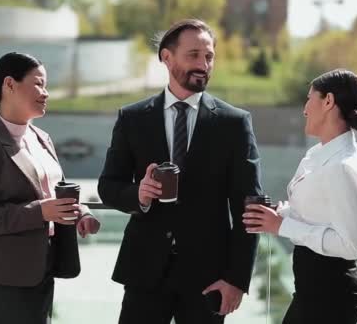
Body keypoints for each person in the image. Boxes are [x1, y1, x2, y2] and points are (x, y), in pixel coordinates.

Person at [98, 19, 263, 324]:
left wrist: (237, 279)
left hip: (209, 279)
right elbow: (108, 185)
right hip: (144, 272)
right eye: (193, 55)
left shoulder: (234, 123)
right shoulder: (132, 118)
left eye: (209, 56)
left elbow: (249, 206)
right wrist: (139, 194)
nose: (203, 64)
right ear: (167, 57)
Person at [0, 52, 100, 324]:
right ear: (9, 84)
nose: (46, 93)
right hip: (1, 279)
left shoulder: (41, 137)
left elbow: (54, 191)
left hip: (41, 270)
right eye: (38, 84)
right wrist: (40, 212)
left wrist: (81, 212)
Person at [242, 69, 357, 324]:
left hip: (331, 296)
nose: (304, 109)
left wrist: (282, 226)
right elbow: (319, 214)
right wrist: (280, 213)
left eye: (308, 99)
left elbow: (350, 245)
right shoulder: (318, 155)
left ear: (328, 102)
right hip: (312, 291)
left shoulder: (342, 166)